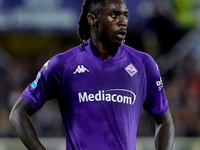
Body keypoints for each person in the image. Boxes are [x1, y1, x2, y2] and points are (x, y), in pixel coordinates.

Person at [9, 0, 175, 149]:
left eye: (125, 15)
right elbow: (18, 114)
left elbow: (165, 121)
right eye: (114, 15)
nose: (122, 21)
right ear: (92, 19)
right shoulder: (63, 64)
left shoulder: (143, 64)